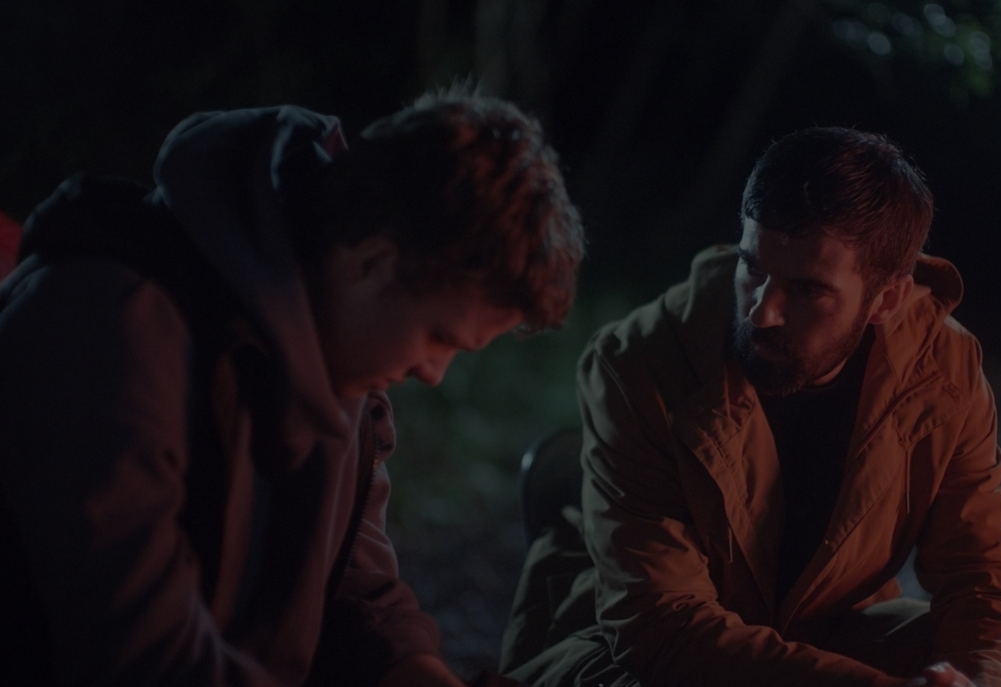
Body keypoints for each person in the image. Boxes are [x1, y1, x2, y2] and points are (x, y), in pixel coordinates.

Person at [0, 90, 584, 686]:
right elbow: (140, 652)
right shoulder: (111, 328)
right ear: (372, 262)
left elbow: (356, 594)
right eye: (439, 337)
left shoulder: (344, 374)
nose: (434, 373)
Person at [500, 128, 1001, 687]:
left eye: (808, 289)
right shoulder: (639, 362)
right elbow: (661, 623)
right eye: (752, 267)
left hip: (830, 630)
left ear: (886, 299)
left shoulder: (942, 370)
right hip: (620, 646)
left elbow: (982, 578)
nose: (763, 311)